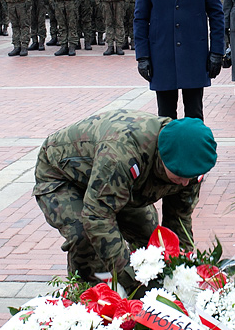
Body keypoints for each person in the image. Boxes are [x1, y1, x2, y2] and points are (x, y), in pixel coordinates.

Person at [33, 110, 216, 290]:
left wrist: (181, 271)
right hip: (63, 174)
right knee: (85, 236)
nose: (185, 183)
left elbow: (178, 219)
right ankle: (89, 297)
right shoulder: (121, 156)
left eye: (190, 177)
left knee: (149, 236)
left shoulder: (190, 165)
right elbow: (98, 217)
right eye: (179, 176)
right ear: (163, 158)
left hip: (114, 182)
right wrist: (131, 279)